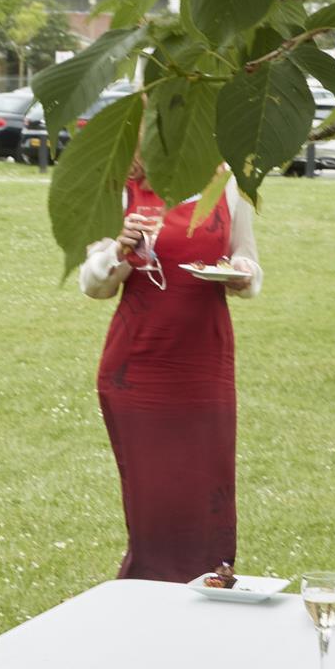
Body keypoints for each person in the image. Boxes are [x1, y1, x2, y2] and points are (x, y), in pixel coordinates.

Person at [79, 159, 261, 581]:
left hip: (205, 364)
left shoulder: (229, 182)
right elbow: (92, 284)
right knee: (155, 513)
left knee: (209, 504)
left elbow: (248, 262)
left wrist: (242, 276)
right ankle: (146, 608)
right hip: (139, 368)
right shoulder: (117, 183)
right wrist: (118, 251)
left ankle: (211, 595)